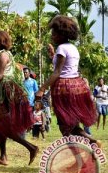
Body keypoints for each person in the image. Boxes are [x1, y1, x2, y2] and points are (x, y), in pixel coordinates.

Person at [35, 15, 100, 146]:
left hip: (64, 87)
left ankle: (90, 142)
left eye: (54, 32)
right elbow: (67, 67)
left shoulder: (62, 48)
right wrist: (53, 55)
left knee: (65, 125)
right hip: (76, 85)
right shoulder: (72, 48)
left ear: (62, 34)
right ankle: (83, 150)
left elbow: (58, 72)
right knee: (70, 123)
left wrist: (41, 89)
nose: (52, 35)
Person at [0, 30, 38, 166]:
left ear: (0, 42)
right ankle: (3, 156)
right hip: (2, 90)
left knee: (3, 124)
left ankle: (31, 147)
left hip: (7, 90)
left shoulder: (3, 55)